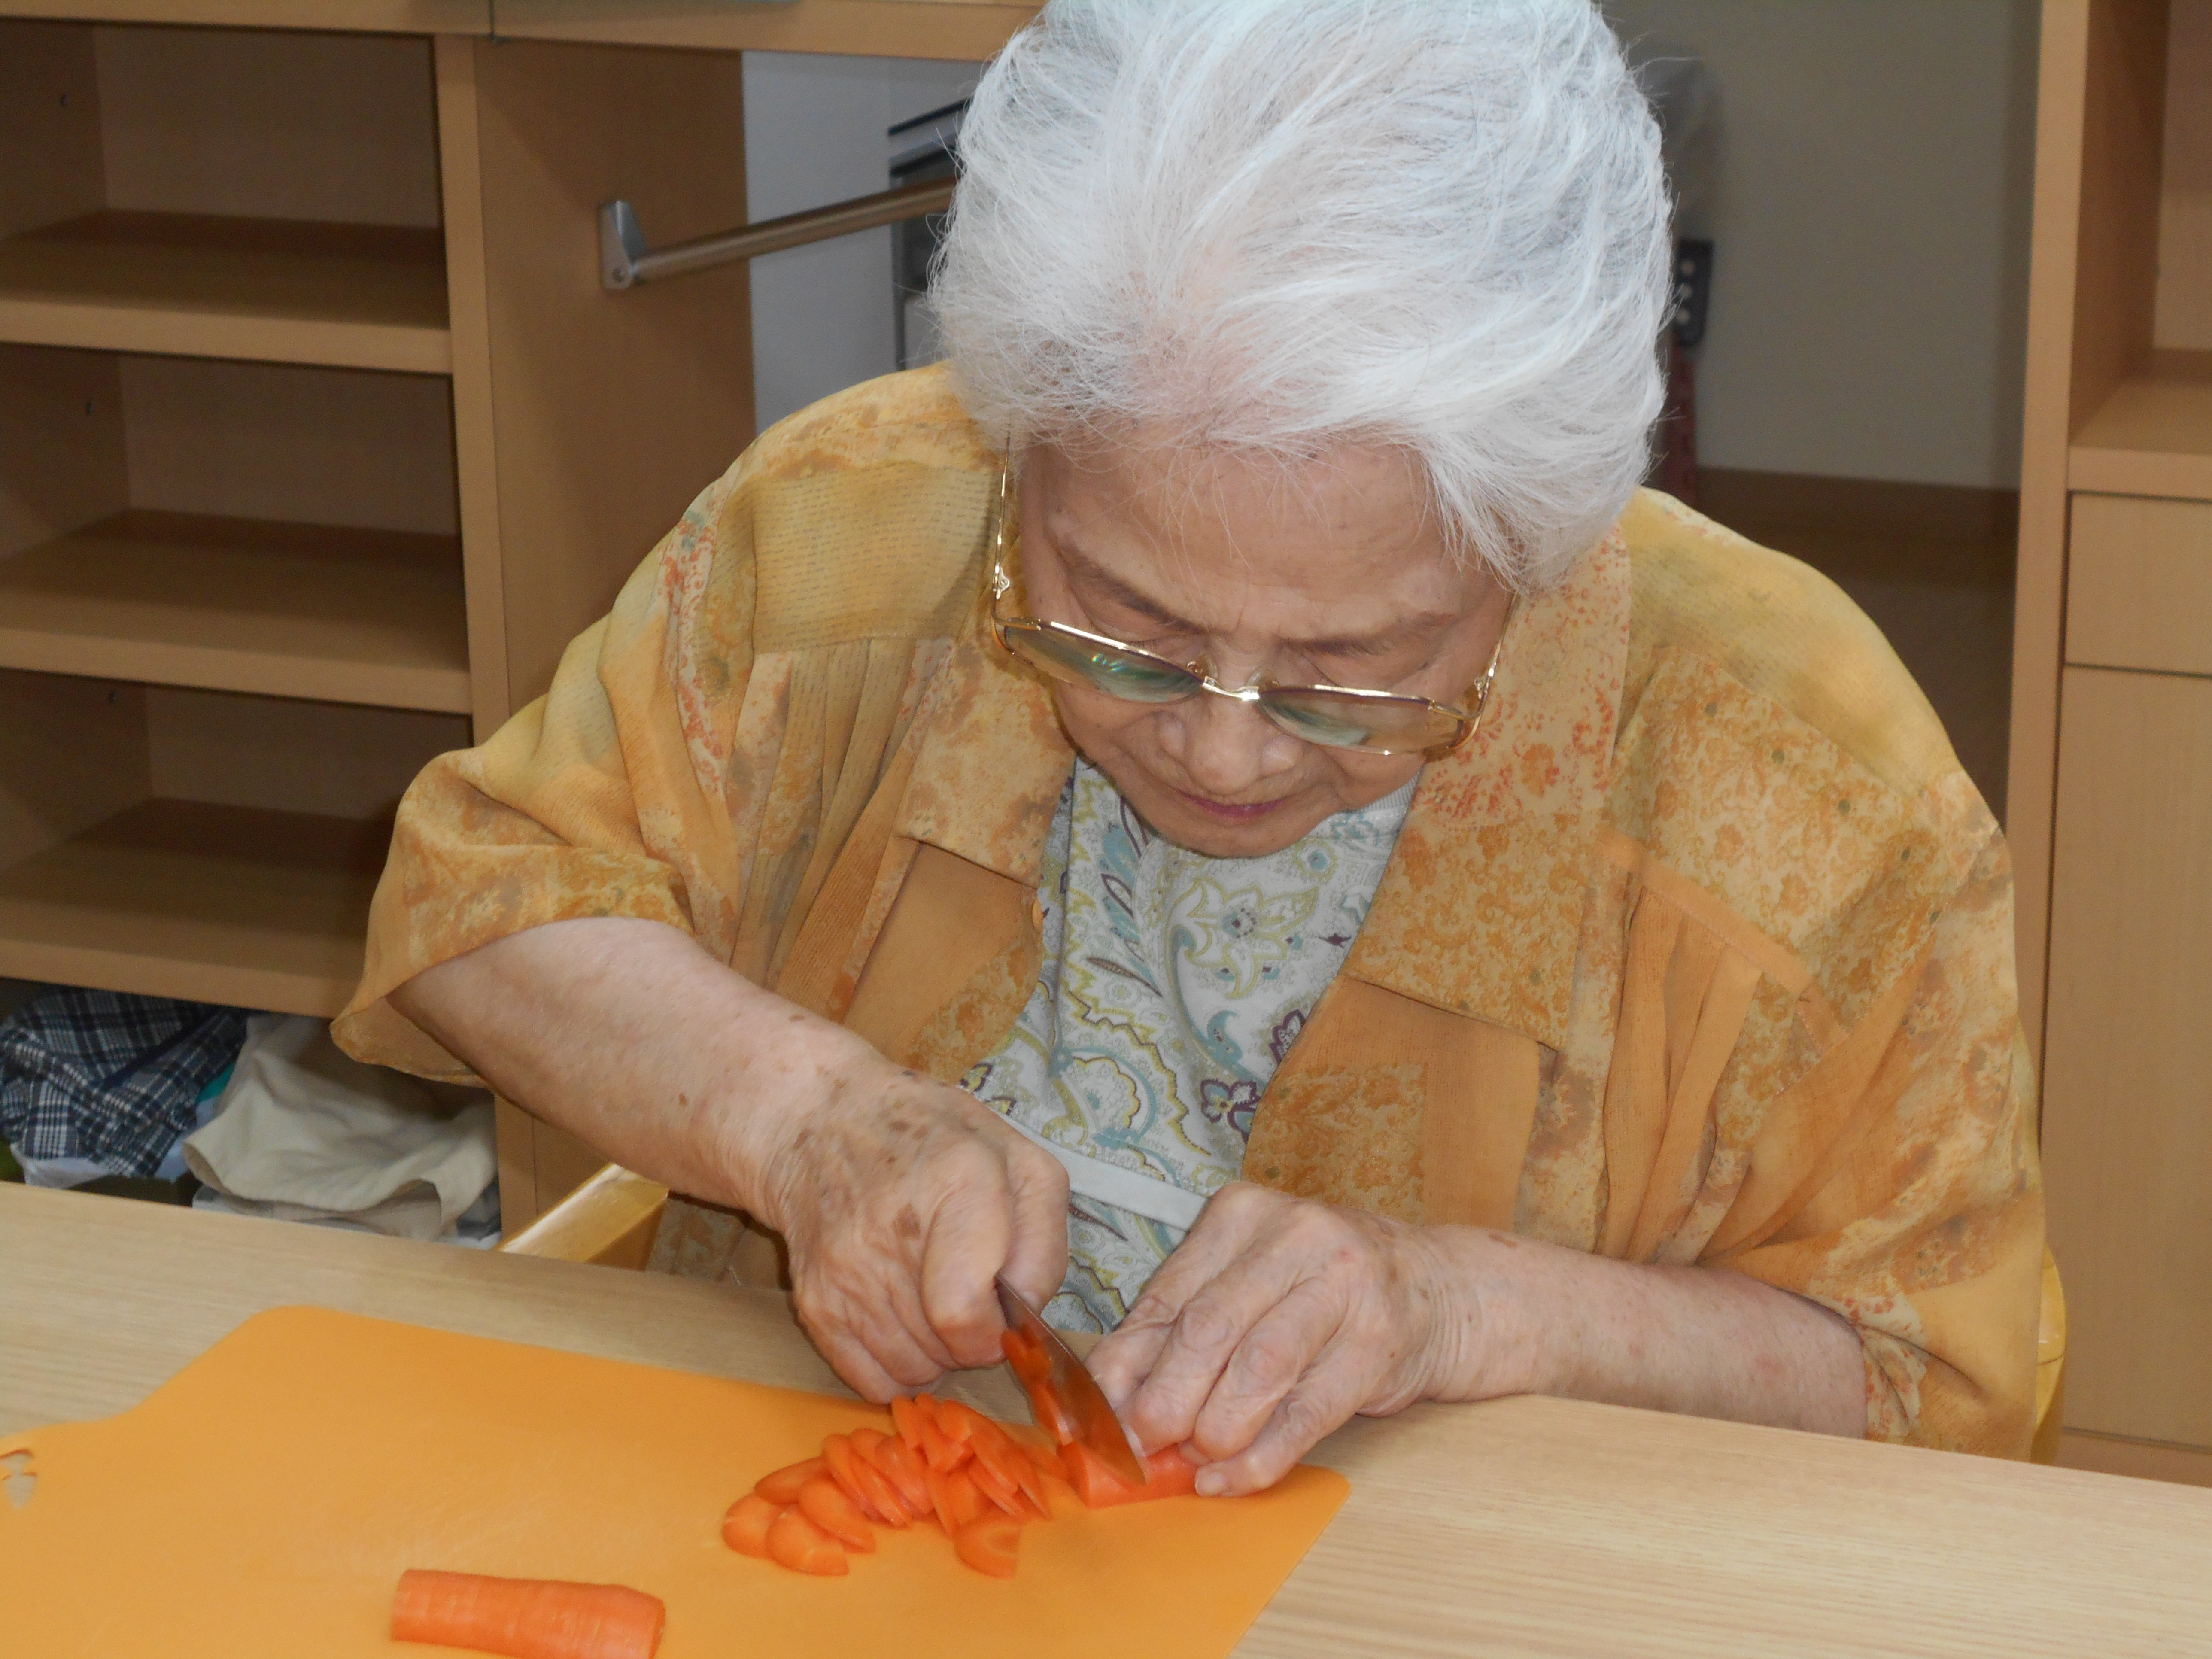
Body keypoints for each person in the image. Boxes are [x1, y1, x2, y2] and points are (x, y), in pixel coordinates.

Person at [335, 0, 2042, 1488]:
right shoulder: (847, 530)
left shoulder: (1802, 778)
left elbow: (1924, 1382)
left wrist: (1464, 1310)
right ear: (1017, 446)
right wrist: (811, 1121)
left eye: (1356, 668)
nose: (1224, 758)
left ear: (1544, 544)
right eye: (1123, 624)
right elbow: (483, 902)